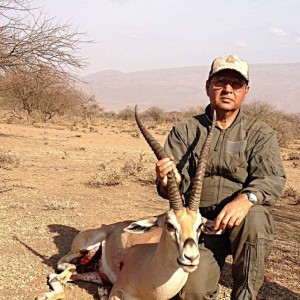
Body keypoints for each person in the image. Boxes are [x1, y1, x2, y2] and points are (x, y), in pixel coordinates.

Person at [155, 54, 286, 300]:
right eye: (220, 82)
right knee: (192, 293)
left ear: (245, 91)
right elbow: (172, 186)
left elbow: (273, 178)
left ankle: (245, 294)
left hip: (241, 223)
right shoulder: (184, 130)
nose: (227, 89)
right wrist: (167, 180)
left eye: (235, 84)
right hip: (200, 226)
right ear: (208, 87)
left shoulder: (260, 132)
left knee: (256, 218)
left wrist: (247, 198)